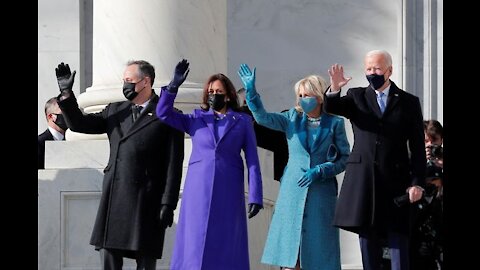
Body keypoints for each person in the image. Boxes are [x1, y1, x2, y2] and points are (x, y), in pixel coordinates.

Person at [55, 61, 185, 270]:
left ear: (145, 82)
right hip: (116, 196)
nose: (125, 85)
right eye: (124, 81)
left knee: (145, 257)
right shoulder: (115, 110)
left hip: (147, 198)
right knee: (108, 252)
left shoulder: (169, 115)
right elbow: (79, 124)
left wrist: (168, 204)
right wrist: (67, 94)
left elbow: (174, 163)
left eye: (129, 81)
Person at [238, 64, 350, 270]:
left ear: (318, 96)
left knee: (319, 250)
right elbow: (263, 118)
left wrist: (322, 170)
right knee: (291, 251)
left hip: (321, 193)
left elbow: (344, 158)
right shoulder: (292, 118)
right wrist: (252, 92)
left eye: (306, 94)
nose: (301, 99)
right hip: (293, 189)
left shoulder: (335, 123)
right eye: (299, 95)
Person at [156, 59, 263, 270]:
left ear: (229, 95)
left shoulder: (242, 122)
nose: (214, 95)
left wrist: (256, 196)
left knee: (226, 240)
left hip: (228, 188)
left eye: (219, 91)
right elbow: (163, 113)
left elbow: (252, 159)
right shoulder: (195, 118)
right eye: (211, 91)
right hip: (198, 188)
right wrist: (172, 87)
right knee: (195, 240)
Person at [325, 50, 427, 270]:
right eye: (369, 69)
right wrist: (334, 89)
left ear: (389, 70)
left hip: (397, 181)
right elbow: (332, 107)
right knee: (367, 239)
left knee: (398, 238)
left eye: (378, 69)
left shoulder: (408, 102)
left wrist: (418, 182)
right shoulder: (356, 96)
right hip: (364, 180)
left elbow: (418, 147)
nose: (373, 73)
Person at [409, 120, 443, 270]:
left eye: (434, 140)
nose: (429, 145)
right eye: (425, 141)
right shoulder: (410, 163)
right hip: (418, 228)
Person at [237, 87, 289, 181]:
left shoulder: (271, 127)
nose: (247, 105)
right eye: (244, 102)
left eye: (252, 100)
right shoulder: (235, 130)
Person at [38, 97, 67, 169]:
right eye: (63, 113)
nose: (68, 117)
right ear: (50, 116)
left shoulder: (72, 141)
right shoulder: (39, 143)